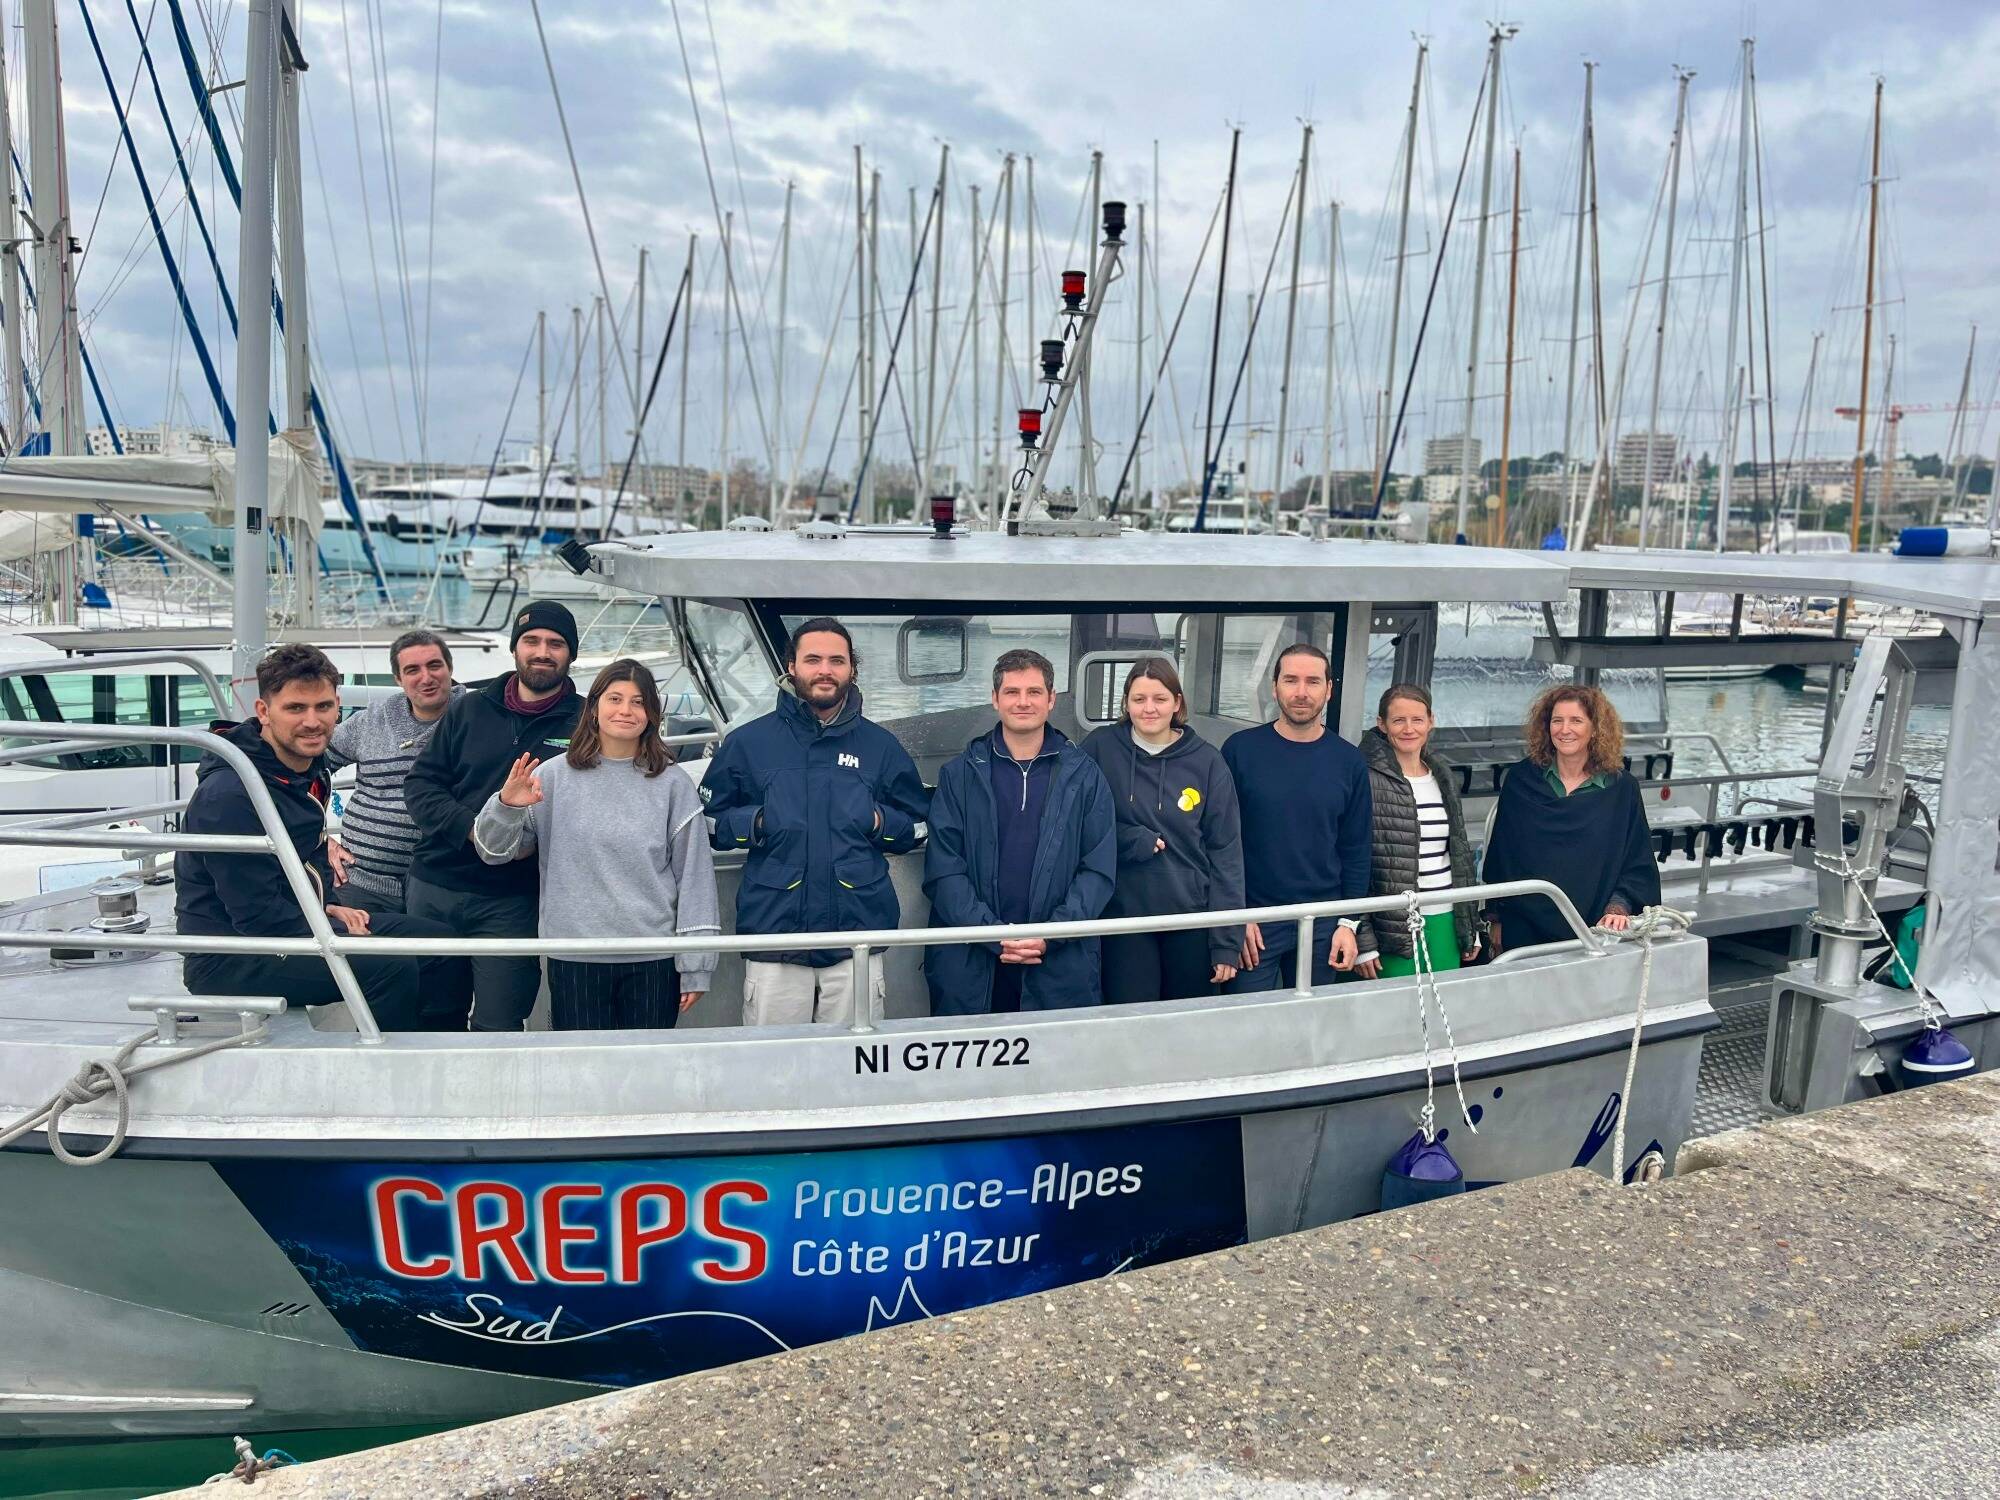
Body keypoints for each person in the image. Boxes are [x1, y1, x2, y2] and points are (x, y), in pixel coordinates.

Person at [176, 643, 462, 1030]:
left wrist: (331, 905)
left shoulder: (302, 769)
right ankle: (392, 1076)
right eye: (296, 708)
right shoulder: (231, 794)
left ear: (338, 707)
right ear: (264, 712)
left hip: (294, 923)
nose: (313, 721)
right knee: (389, 967)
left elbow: (308, 856)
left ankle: (441, 1050)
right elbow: (256, 915)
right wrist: (336, 929)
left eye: (323, 707)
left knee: (442, 945)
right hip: (231, 954)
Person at [700, 618, 929, 1026]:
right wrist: (756, 821)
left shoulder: (881, 747)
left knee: (854, 1069)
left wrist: (878, 821)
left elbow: (919, 824)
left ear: (851, 670)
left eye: (836, 660)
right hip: (776, 939)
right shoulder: (747, 744)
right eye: (813, 659)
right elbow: (707, 824)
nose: (825, 670)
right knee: (774, 1070)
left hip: (856, 940)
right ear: (791, 666)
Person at [473, 658, 719, 1029]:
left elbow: (695, 877)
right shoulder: (551, 776)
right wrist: (506, 806)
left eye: (638, 702)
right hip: (574, 955)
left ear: (652, 713)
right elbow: (492, 852)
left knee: (645, 1073)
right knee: (581, 1074)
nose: (625, 710)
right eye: (615, 698)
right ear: (594, 708)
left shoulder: (673, 784)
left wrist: (696, 964)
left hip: (652, 956)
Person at [403, 600, 584, 1030]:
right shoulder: (468, 709)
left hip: (514, 900)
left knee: (500, 1021)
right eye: (532, 641)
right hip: (436, 887)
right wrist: (475, 830)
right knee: (432, 1014)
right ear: (515, 648)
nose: (542, 651)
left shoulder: (587, 723)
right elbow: (421, 785)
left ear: (571, 654)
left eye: (556, 643)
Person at [923, 648, 1116, 1014]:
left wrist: (1050, 935)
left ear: (1051, 699)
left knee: (1057, 1066)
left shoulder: (1085, 776)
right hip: (972, 963)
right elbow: (944, 871)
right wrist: (992, 935)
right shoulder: (959, 774)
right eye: (1012, 692)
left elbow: (1098, 870)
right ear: (995, 699)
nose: (1023, 702)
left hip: (1059, 962)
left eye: (1034, 692)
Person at [1081, 657, 1243, 1002]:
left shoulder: (1208, 762)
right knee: (1130, 1023)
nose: (1149, 708)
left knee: (1186, 1028)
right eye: (1139, 699)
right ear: (1125, 703)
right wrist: (1130, 839)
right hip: (1124, 920)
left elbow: (1225, 853)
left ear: (1177, 703)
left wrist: (1227, 941)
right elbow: (1076, 822)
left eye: (1160, 699)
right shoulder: (1099, 748)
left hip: (1190, 920)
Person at [1220, 643, 1375, 991]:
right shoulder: (1239, 751)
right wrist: (1237, 915)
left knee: (1315, 1030)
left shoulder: (1349, 762)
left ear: (1329, 690)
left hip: (1323, 924)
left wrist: (1348, 924)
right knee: (1246, 1023)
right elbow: (1221, 843)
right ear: (1274, 688)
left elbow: (1356, 849)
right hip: (1255, 922)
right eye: (1291, 680)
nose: (1301, 692)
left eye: (1313, 681)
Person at [1481, 684, 1661, 953]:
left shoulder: (1622, 788)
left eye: (1576, 720)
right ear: (1546, 726)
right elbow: (1502, 855)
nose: (1565, 730)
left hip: (1593, 926)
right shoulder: (1520, 780)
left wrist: (1619, 906)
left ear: (1595, 728)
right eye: (1557, 720)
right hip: (1523, 924)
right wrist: (1496, 917)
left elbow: (1636, 860)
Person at [325, 629, 463, 914]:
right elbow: (306, 766)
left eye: (434, 665)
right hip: (359, 884)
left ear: (449, 668)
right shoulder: (371, 720)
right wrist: (318, 839)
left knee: (435, 958)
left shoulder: (476, 717)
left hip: (444, 889)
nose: (426, 678)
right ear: (398, 679)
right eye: (412, 670)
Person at [1361, 684, 1482, 977]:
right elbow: (1355, 860)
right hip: (1393, 926)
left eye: (1417, 720)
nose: (1408, 729)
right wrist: (1363, 938)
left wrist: (1470, 925)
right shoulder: (1364, 777)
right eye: (1398, 720)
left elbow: (1460, 853)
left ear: (1430, 721)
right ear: (1382, 724)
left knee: (1441, 1014)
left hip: (1444, 917)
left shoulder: (1442, 776)